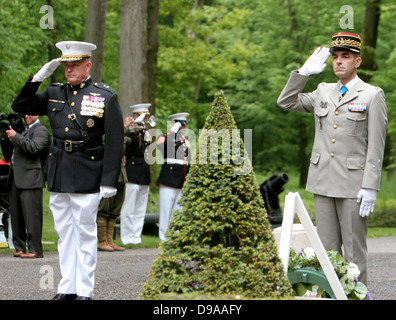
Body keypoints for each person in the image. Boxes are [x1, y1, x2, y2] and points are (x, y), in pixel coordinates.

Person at [11, 41, 124, 300]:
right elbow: (21, 106)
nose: (69, 70)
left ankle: (84, 290)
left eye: (74, 65)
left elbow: (115, 141)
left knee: (84, 233)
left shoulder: (104, 96)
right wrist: (38, 78)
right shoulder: (54, 92)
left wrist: (109, 180)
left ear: (88, 65)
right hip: (59, 168)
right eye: (66, 65)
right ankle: (67, 287)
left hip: (88, 168)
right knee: (64, 234)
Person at [277, 33, 387, 285]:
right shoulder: (323, 91)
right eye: (335, 57)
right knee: (326, 251)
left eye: (345, 57)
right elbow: (286, 101)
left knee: (354, 252)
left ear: (357, 62)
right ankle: (330, 294)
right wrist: (303, 73)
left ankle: (358, 294)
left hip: (353, 185)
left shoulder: (371, 95)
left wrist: (370, 185)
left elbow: (376, 146)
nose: (338, 62)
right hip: (323, 181)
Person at [1, 115, 49, 258]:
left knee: (31, 214)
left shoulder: (40, 129)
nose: (26, 116)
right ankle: (19, 247)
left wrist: (15, 136)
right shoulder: (21, 130)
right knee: (16, 215)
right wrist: (5, 138)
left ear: (37, 114)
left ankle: (35, 249)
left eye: (30, 113)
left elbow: (35, 148)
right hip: (15, 176)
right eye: (25, 113)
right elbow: (9, 154)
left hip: (31, 177)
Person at [120, 104, 153, 245]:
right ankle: (127, 236)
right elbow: (129, 147)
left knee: (140, 208)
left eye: (146, 116)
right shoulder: (128, 131)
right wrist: (131, 130)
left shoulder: (146, 132)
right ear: (135, 116)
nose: (145, 119)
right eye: (142, 116)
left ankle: (136, 236)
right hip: (132, 172)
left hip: (144, 173)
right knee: (129, 207)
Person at [156, 113, 190, 242]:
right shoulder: (166, 137)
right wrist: (172, 132)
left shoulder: (185, 140)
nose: (183, 128)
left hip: (182, 179)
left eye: (184, 125)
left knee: (178, 210)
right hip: (169, 179)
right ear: (174, 124)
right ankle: (163, 238)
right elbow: (159, 146)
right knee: (166, 210)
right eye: (180, 125)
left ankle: (175, 236)